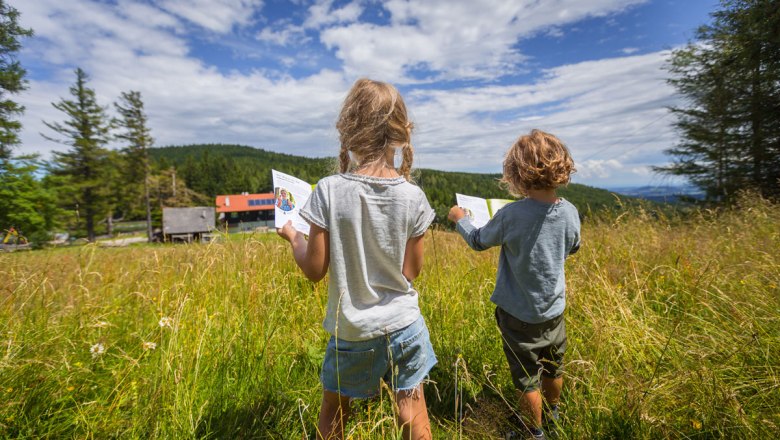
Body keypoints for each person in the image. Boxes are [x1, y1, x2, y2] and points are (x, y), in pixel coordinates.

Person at [277, 78, 437, 440]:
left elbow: (314, 270)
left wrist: (293, 237)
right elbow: (411, 272)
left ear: (348, 127)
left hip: (352, 331)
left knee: (334, 413)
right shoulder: (414, 197)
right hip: (405, 325)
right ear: (400, 132)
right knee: (412, 413)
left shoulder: (329, 191)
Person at [447, 129, 580, 440]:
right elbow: (573, 247)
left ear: (517, 173)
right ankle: (553, 414)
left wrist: (460, 219)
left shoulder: (511, 214)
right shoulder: (570, 211)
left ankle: (533, 432)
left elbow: (479, 241)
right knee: (552, 367)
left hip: (518, 315)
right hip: (554, 310)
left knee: (526, 379)